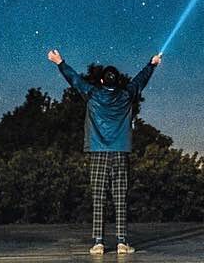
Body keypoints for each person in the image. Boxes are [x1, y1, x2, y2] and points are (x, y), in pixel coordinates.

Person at [47, 48, 161, 255]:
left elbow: (74, 80)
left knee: (98, 197)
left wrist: (59, 62)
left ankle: (98, 243)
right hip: (120, 152)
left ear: (101, 82)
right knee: (120, 198)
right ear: (117, 82)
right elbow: (140, 80)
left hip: (99, 151)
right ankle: (122, 243)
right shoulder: (127, 94)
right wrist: (152, 64)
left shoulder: (91, 94)